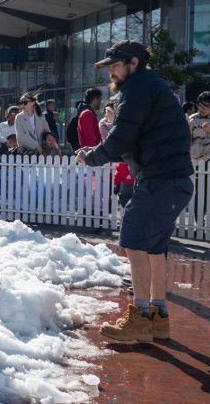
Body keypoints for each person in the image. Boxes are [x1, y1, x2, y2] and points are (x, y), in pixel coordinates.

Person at [75, 40, 193, 343]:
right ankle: (159, 317)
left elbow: (121, 137)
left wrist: (90, 158)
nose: (111, 71)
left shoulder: (137, 90)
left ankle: (140, 318)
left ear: (134, 63)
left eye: (115, 65)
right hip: (171, 181)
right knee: (154, 249)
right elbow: (130, 141)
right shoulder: (153, 87)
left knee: (133, 243)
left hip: (159, 181)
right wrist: (101, 152)